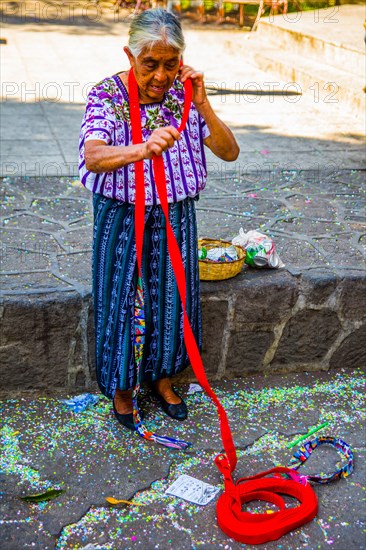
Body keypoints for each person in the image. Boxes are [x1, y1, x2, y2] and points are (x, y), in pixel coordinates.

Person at [78, 8, 239, 432]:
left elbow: (228, 151)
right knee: (122, 297)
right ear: (130, 57)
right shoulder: (107, 95)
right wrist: (141, 148)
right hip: (122, 214)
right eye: (151, 64)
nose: (161, 75)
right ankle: (122, 387)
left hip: (177, 210)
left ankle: (162, 378)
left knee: (173, 297)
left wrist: (203, 105)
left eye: (171, 64)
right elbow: (93, 156)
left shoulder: (185, 95)